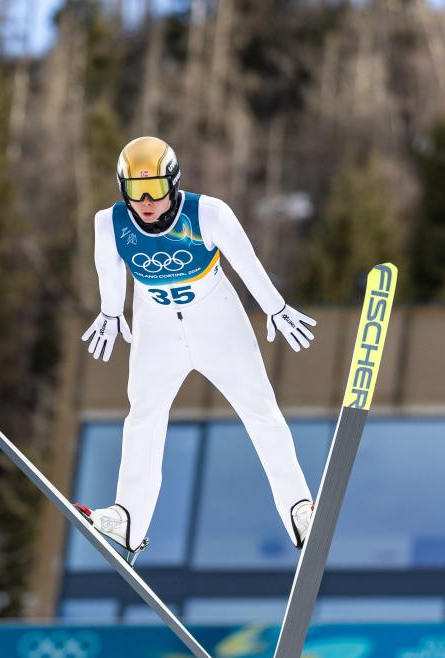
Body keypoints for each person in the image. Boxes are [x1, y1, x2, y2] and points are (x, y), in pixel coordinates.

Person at [74, 136, 316, 562]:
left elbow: (247, 264)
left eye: (154, 189)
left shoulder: (208, 213)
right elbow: (108, 273)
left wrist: (275, 307)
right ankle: (130, 519)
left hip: (218, 322)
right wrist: (111, 312)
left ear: (173, 182)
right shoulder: (109, 223)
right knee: (143, 417)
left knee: (260, 410)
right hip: (157, 330)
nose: (146, 202)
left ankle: (299, 508)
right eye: (135, 191)